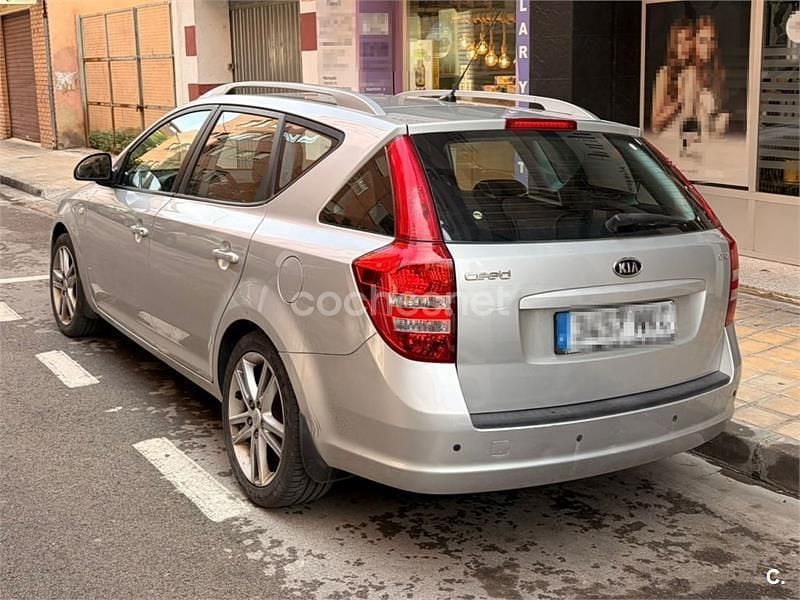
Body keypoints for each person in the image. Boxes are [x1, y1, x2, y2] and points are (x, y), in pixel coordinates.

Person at [651, 19, 697, 134]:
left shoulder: (695, 72)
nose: (684, 47)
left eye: (687, 40)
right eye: (679, 42)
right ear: (674, 46)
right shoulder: (665, 73)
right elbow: (655, 124)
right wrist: (678, 101)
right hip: (669, 139)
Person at [695, 15, 730, 135]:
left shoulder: (719, 73)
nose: (708, 47)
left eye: (712, 40)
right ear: (695, 42)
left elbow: (721, 110)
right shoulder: (689, 74)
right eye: (703, 41)